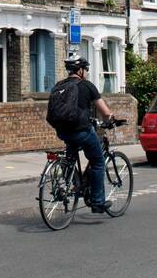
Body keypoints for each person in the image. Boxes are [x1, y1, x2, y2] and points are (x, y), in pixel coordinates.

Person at [47, 53, 116, 213]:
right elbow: (104, 112)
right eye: (86, 69)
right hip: (82, 131)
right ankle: (98, 202)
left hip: (63, 132)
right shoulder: (87, 86)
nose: (86, 72)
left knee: (70, 159)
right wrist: (112, 119)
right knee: (98, 161)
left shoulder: (59, 85)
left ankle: (74, 182)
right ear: (80, 70)